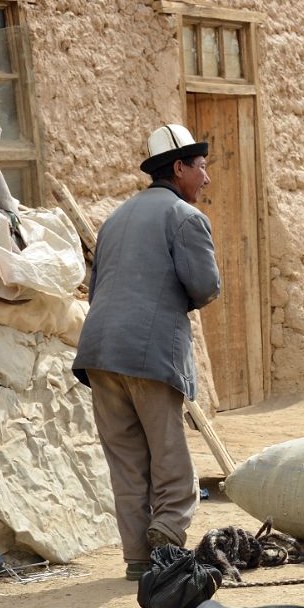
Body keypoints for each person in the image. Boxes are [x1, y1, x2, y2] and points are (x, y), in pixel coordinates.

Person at [72, 124, 221, 581]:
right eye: (201, 167)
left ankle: (138, 558)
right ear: (178, 167)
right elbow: (206, 286)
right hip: (149, 353)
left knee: (127, 462)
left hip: (98, 352)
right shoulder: (186, 217)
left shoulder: (115, 218)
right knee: (169, 454)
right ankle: (168, 535)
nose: (207, 178)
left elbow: (98, 288)